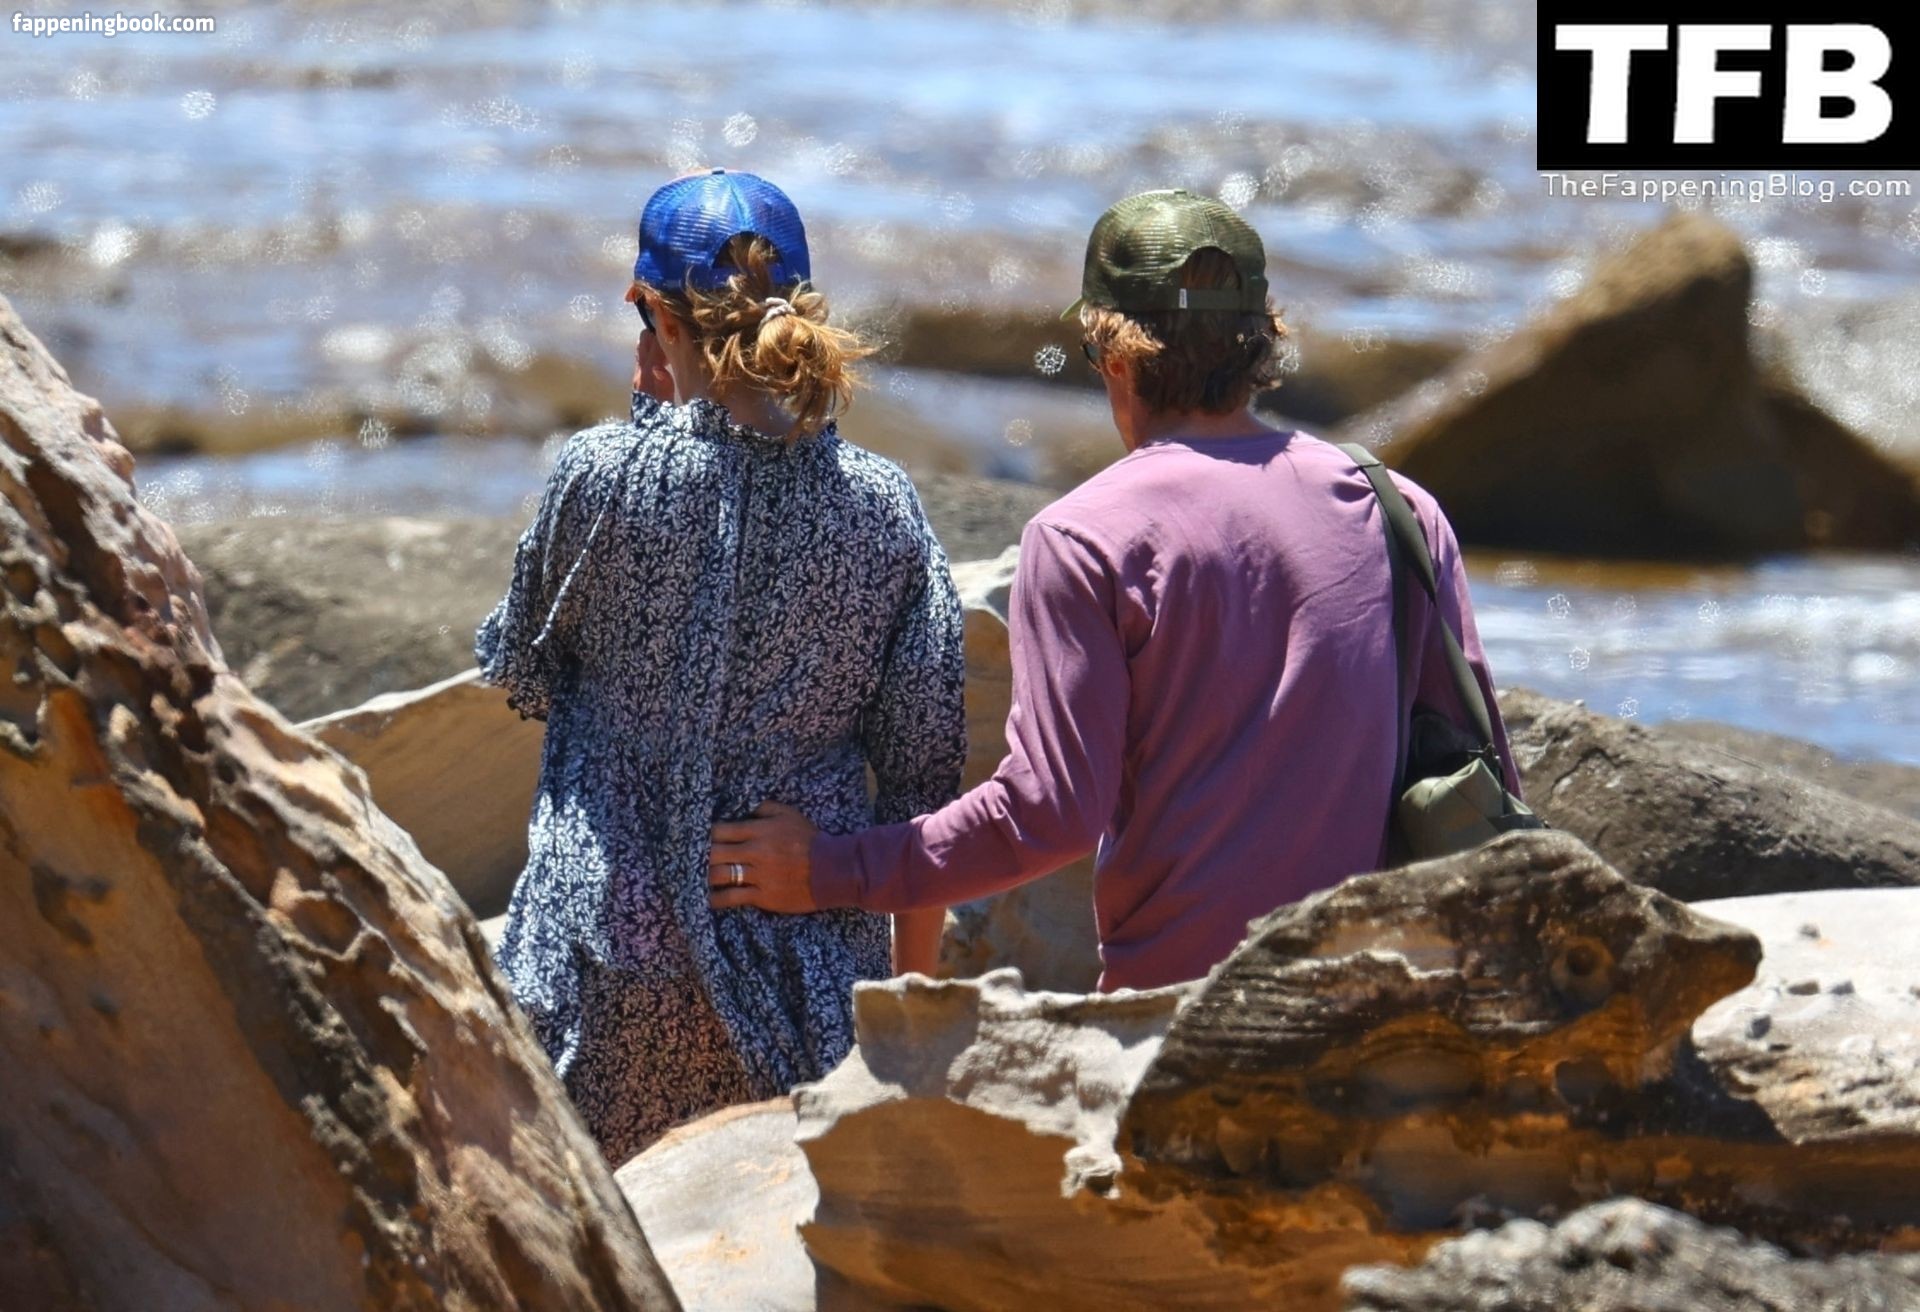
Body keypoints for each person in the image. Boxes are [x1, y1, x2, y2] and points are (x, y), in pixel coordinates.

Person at [707, 188, 1521, 992]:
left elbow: (1048, 816)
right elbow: (1485, 775)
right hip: (1375, 1003)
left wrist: (829, 869)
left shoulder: (1085, 538)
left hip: (1182, 1014)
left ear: (1117, 357)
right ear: (1260, 342)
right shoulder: (1399, 508)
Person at [477, 169, 964, 1162]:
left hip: (611, 982)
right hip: (803, 1000)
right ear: (805, 313)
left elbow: (521, 662)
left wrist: (646, 416)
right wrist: (908, 1031)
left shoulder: (601, 475)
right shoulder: (882, 507)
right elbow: (923, 783)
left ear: (650, 313)